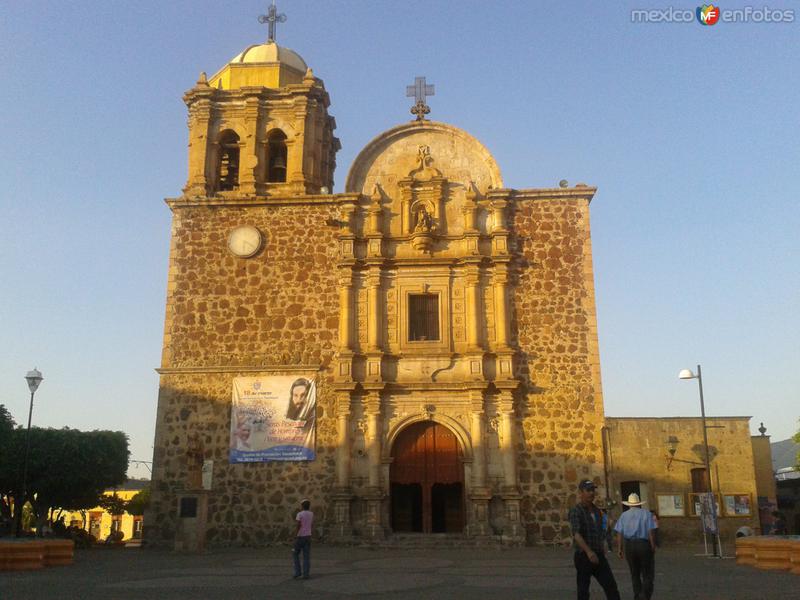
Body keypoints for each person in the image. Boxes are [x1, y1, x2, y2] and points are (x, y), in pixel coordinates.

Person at [568, 479, 621, 600]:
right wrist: (588, 552)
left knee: (611, 586)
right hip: (583, 556)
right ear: (581, 492)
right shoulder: (576, 511)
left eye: (593, 490)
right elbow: (576, 533)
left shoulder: (597, 511)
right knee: (583, 591)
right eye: (588, 490)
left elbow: (601, 530)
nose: (591, 493)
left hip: (598, 555)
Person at [614, 493, 657, 600]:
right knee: (647, 573)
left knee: (634, 573)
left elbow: (619, 533)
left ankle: (637, 596)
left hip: (629, 545)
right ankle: (644, 595)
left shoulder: (624, 515)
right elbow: (651, 531)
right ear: (639, 504)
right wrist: (652, 546)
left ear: (629, 504)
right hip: (643, 544)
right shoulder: (647, 514)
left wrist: (619, 548)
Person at [293, 499, 313, 580]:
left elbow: (298, 525)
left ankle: (297, 572)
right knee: (306, 556)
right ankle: (306, 574)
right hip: (308, 536)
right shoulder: (311, 514)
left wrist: (295, 535)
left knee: (295, 553)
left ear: (302, 506)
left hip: (300, 536)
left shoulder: (299, 514)